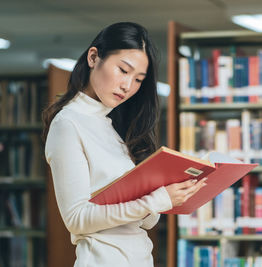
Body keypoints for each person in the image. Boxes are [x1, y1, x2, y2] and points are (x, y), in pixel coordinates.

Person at [42, 22, 207, 267]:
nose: (128, 86)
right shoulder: (68, 124)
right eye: (123, 70)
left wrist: (169, 196)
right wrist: (156, 200)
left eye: (138, 79)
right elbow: (76, 218)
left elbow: (144, 221)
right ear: (93, 57)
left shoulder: (113, 129)